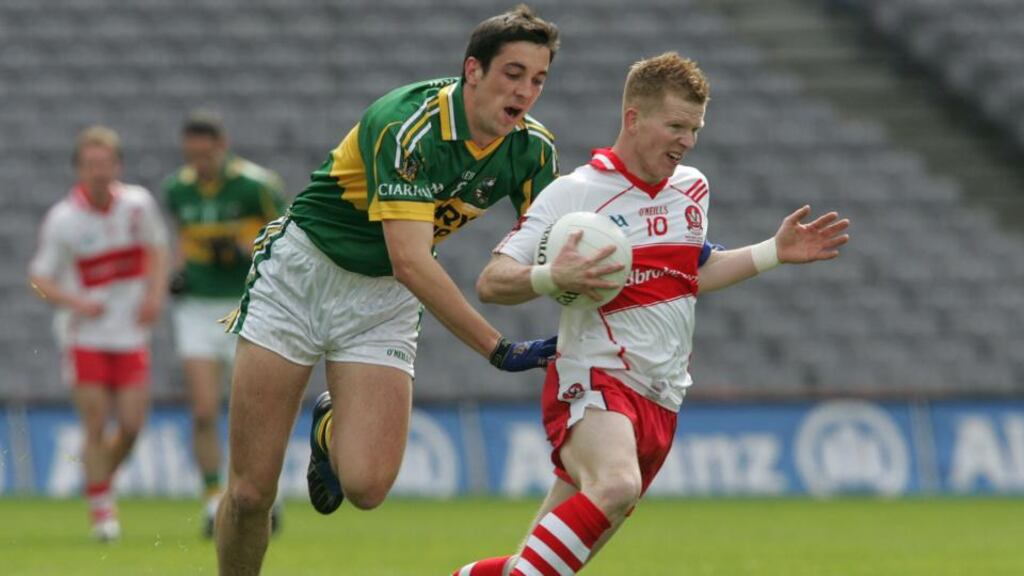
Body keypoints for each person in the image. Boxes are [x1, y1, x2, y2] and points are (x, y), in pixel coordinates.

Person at [453, 52, 851, 575]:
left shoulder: (692, 188)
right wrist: (554, 276)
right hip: (596, 377)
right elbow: (492, 281)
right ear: (633, 118)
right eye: (676, 126)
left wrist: (773, 252)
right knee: (616, 485)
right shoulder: (575, 194)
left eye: (695, 129)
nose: (688, 140)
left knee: (538, 564)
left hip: (662, 397)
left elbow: (688, 275)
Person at [215, 6, 564, 574]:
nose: (525, 92)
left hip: (381, 301)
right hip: (302, 277)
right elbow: (410, 261)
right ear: (473, 70)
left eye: (539, 79)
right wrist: (498, 349)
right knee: (252, 493)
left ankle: (329, 428)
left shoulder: (533, 150)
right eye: (513, 73)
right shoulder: (408, 124)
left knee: (368, 487)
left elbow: (554, 246)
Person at [28, 126, 170, 542]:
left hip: (130, 333)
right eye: (91, 164)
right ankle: (103, 513)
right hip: (84, 336)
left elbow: (158, 248)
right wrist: (74, 301)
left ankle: (97, 479)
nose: (99, 171)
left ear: (118, 166)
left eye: (105, 163)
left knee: (131, 425)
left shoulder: (138, 205)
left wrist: (154, 295)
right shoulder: (63, 219)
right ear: (79, 169)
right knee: (95, 423)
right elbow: (38, 280)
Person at [163, 111, 287, 537]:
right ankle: (213, 499)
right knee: (202, 410)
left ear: (222, 146)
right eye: (192, 156)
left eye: (205, 155)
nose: (199, 164)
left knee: (251, 411)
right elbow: (183, 237)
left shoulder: (257, 186)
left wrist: (242, 250)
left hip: (247, 304)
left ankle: (263, 493)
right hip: (197, 308)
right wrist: (178, 271)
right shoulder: (177, 189)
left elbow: (284, 238)